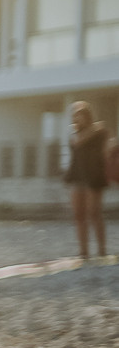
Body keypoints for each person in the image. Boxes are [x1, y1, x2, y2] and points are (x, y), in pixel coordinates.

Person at [66, 101, 109, 260]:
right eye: (75, 115)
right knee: (79, 215)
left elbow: (101, 134)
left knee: (94, 213)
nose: (77, 118)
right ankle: (83, 252)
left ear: (87, 116)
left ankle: (102, 250)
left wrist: (91, 128)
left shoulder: (99, 131)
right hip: (77, 176)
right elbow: (76, 142)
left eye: (80, 115)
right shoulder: (75, 134)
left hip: (94, 177)